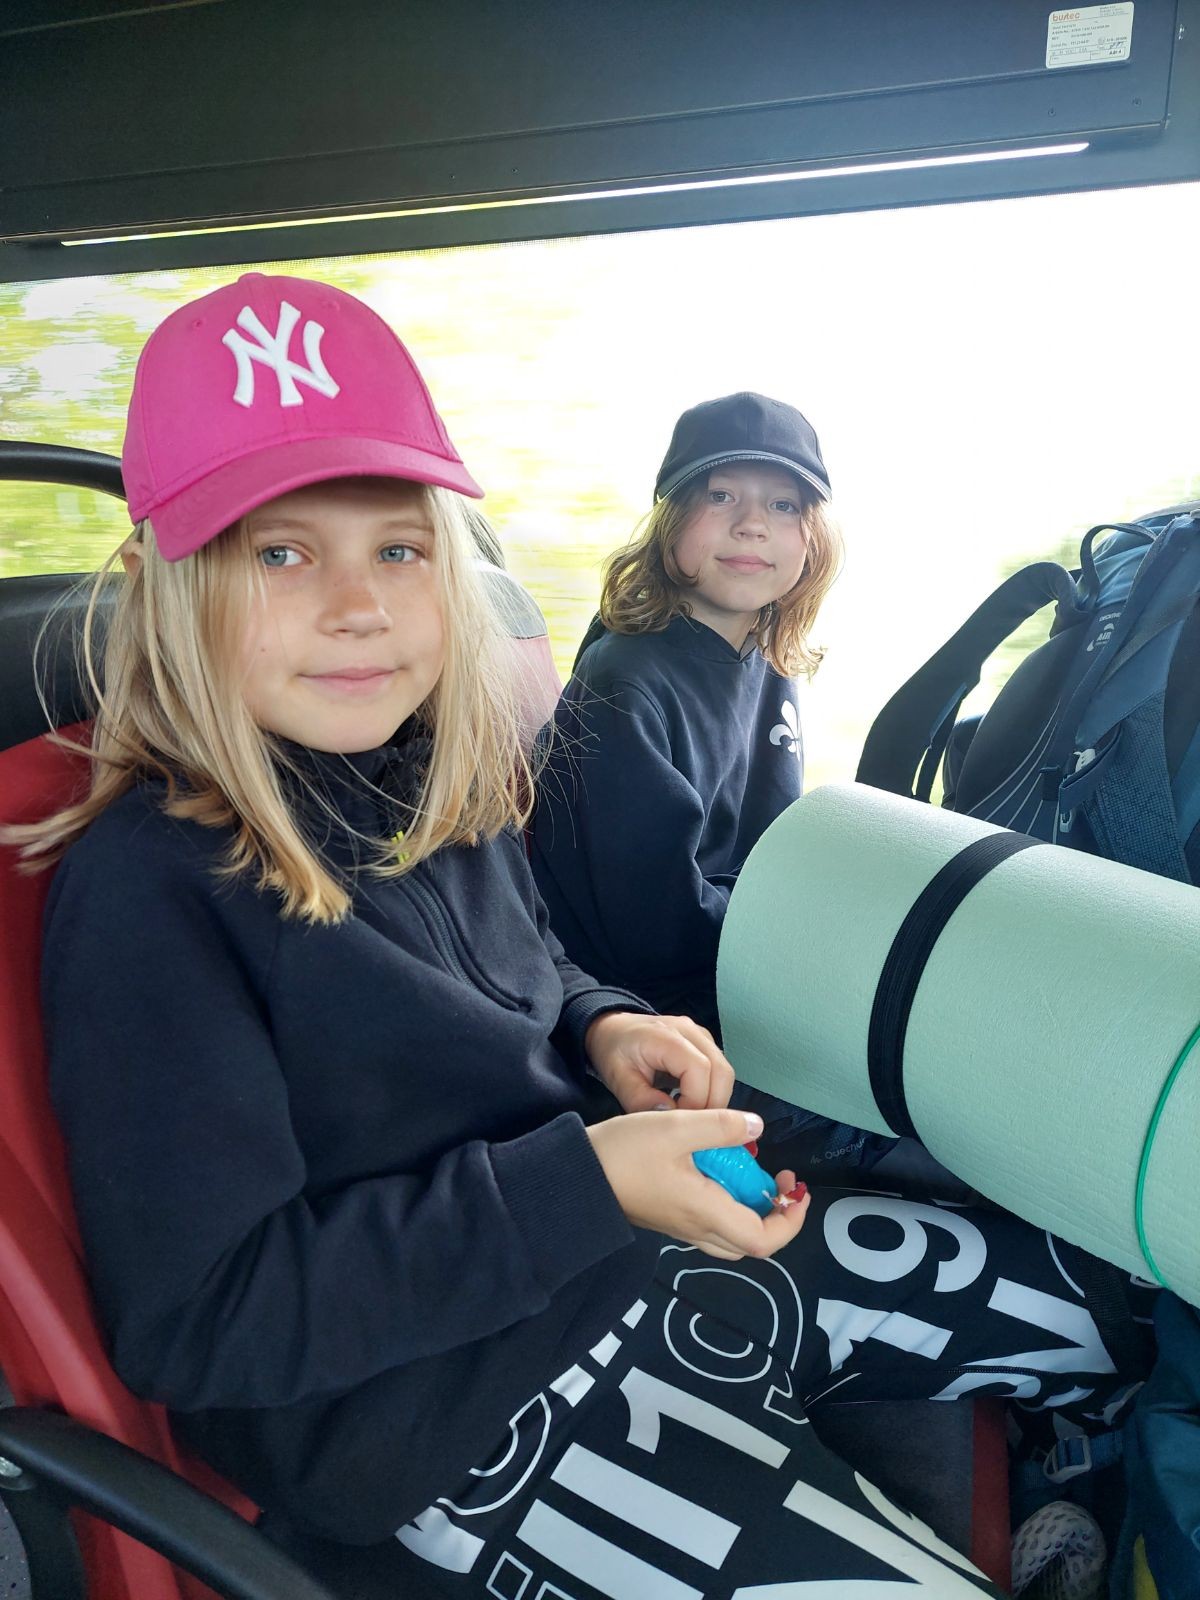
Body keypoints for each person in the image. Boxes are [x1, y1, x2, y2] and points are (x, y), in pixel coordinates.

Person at [13, 275, 1151, 1598]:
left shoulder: (432, 778)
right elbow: (207, 1322)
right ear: (160, 590)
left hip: (611, 1251)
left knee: (1117, 1300)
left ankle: (1073, 1484)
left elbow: (530, 961)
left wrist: (604, 1024)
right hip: (439, 1417)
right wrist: (591, 1182)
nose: (358, 603)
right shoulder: (156, 891)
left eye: (398, 549)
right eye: (279, 554)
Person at [530, 392, 890, 1169]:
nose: (751, 523)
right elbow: (652, 927)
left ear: (811, 540)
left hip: (731, 961)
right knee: (858, 1123)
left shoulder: (767, 661)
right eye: (721, 495)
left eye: (783, 504)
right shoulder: (626, 682)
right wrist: (799, 950)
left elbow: (769, 847)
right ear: (670, 525)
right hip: (645, 1008)